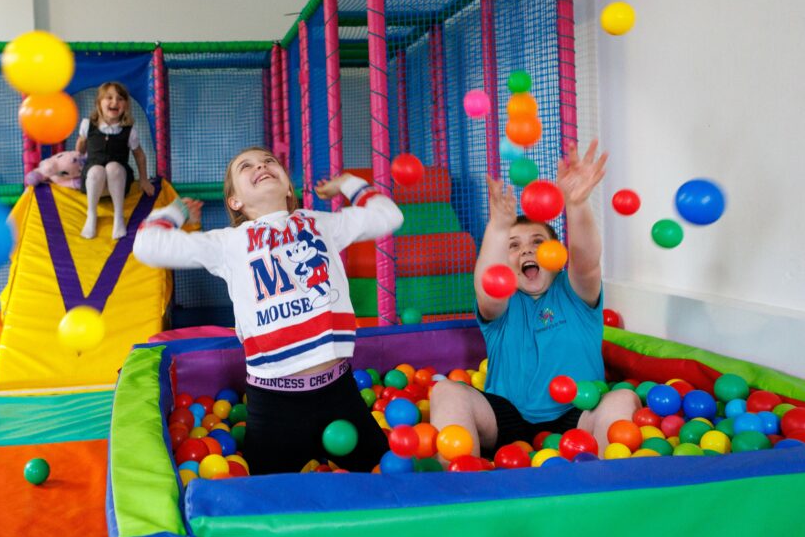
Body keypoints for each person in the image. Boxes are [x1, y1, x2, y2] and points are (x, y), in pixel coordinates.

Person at [133, 146, 403, 474]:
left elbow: (389, 216)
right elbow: (147, 246)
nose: (261, 165)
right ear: (235, 202)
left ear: (289, 187)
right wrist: (176, 210)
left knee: (384, 478)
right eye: (246, 166)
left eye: (269, 161)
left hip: (338, 391)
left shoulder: (321, 224)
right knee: (265, 496)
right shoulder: (228, 243)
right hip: (274, 401)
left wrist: (349, 183)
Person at [431, 140, 640, 457]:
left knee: (623, 399)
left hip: (577, 416)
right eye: (513, 245)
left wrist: (577, 205)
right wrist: (499, 228)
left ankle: (604, 491)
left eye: (537, 241)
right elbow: (489, 286)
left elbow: (586, 261)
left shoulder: (576, 296)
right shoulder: (502, 305)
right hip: (506, 418)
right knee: (445, 391)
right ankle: (464, 489)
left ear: (557, 255)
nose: (526, 250)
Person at [76, 82, 155, 240]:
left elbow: (140, 155)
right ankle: (91, 215)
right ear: (99, 103)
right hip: (94, 183)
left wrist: (144, 180)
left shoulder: (129, 131)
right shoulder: (88, 125)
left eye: (120, 99)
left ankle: (118, 217)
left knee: (113, 167)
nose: (115, 102)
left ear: (126, 105)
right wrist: (79, 149)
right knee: (96, 170)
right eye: (109, 98)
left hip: (117, 183)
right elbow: (80, 150)